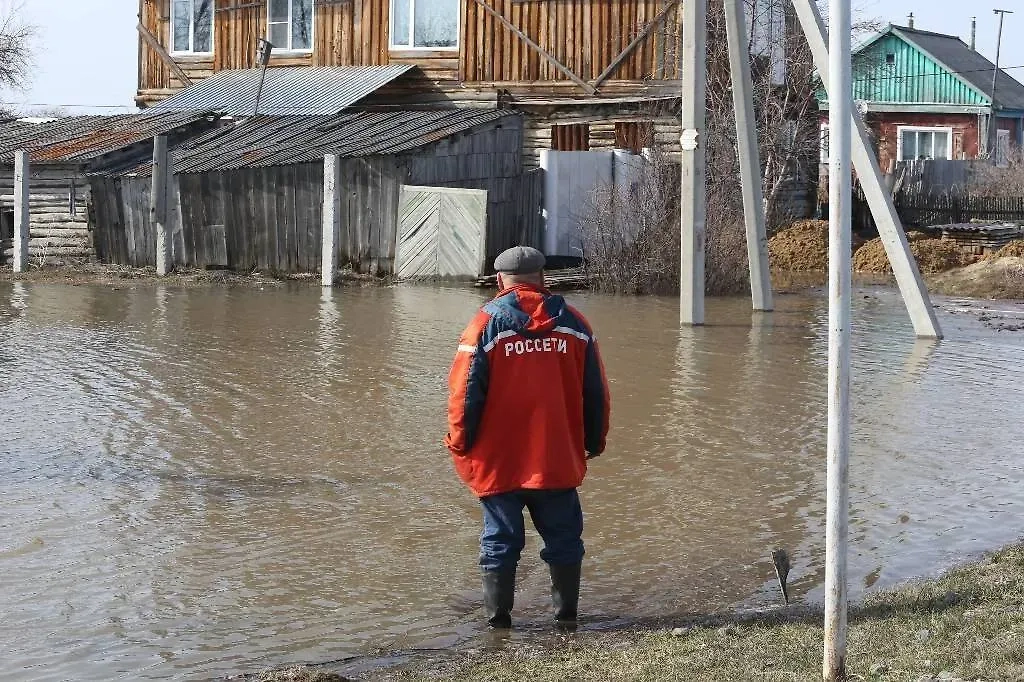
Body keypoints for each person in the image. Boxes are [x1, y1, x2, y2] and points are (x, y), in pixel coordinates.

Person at [444, 245, 611, 628]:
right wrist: (593, 442)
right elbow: (597, 393)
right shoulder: (576, 325)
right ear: (543, 278)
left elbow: (464, 394)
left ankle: (497, 625)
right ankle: (566, 618)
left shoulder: (483, 325)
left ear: (500, 280)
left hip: (498, 462)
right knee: (565, 539)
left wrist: (460, 443)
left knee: (500, 541)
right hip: (555, 458)